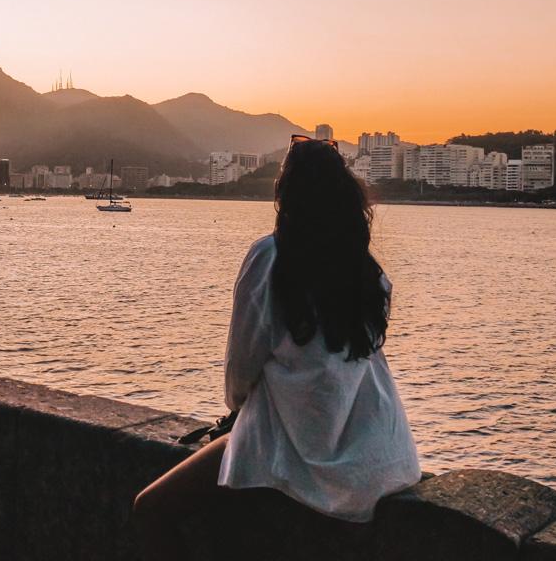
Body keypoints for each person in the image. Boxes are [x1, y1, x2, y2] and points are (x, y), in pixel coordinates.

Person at [133, 135, 421, 559]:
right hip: (383, 461)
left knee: (151, 510)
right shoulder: (367, 271)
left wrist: (238, 411)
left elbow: (241, 370)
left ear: (287, 192)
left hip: (304, 453)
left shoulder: (271, 257)